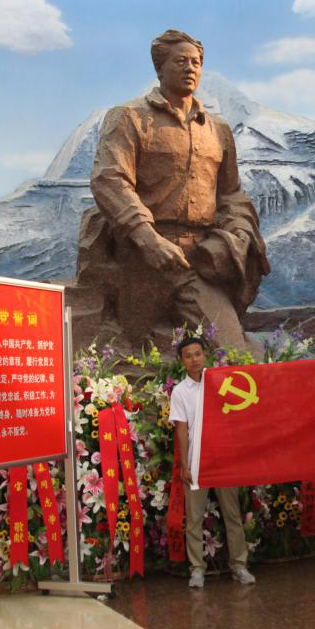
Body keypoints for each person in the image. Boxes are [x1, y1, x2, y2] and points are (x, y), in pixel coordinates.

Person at [77, 29, 270, 349]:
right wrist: (147, 238)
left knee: (233, 353)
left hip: (198, 261)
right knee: (133, 351)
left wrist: (234, 237)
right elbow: (110, 179)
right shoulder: (129, 117)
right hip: (141, 257)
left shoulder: (218, 130)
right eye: (180, 61)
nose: (190, 68)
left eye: (196, 62)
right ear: (159, 68)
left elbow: (232, 196)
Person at [169, 336, 255, 588]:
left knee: (232, 515)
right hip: (196, 462)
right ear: (181, 360)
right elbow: (181, 429)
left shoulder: (221, 382)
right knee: (194, 519)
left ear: (205, 355)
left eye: (198, 354)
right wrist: (184, 464)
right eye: (188, 356)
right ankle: (197, 569)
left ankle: (239, 565)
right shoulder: (180, 392)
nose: (194, 359)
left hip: (223, 459)